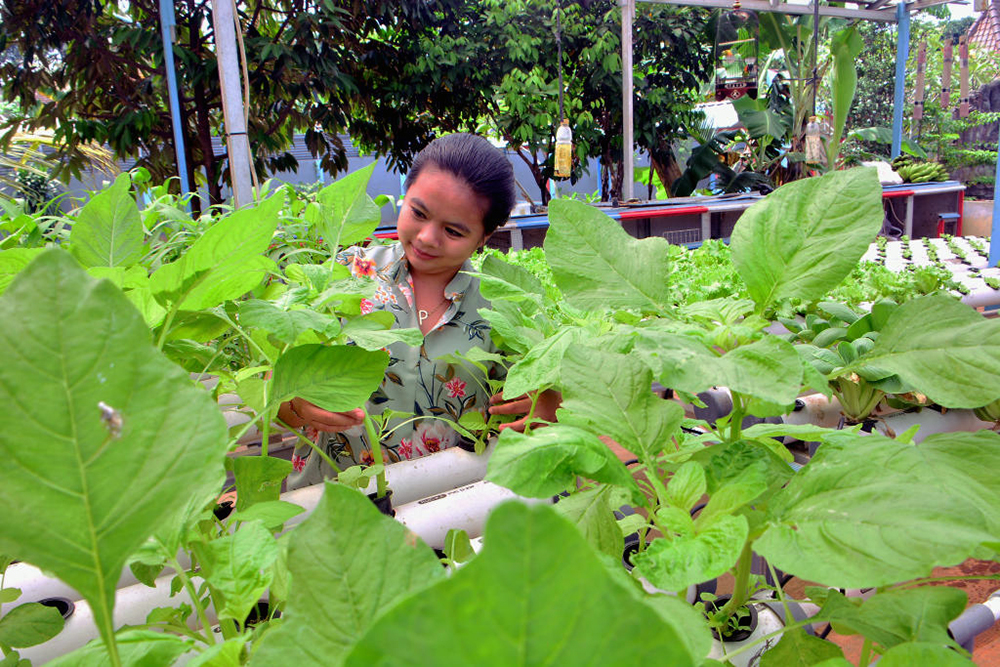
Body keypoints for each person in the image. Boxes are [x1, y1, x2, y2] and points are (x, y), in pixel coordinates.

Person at [278, 133, 554, 487]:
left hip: (449, 509)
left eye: (453, 231)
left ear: (484, 237)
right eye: (418, 213)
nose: (426, 238)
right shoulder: (344, 274)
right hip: (335, 503)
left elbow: (538, 397)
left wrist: (547, 405)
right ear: (404, 197)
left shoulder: (501, 303)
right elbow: (273, 404)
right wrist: (295, 403)